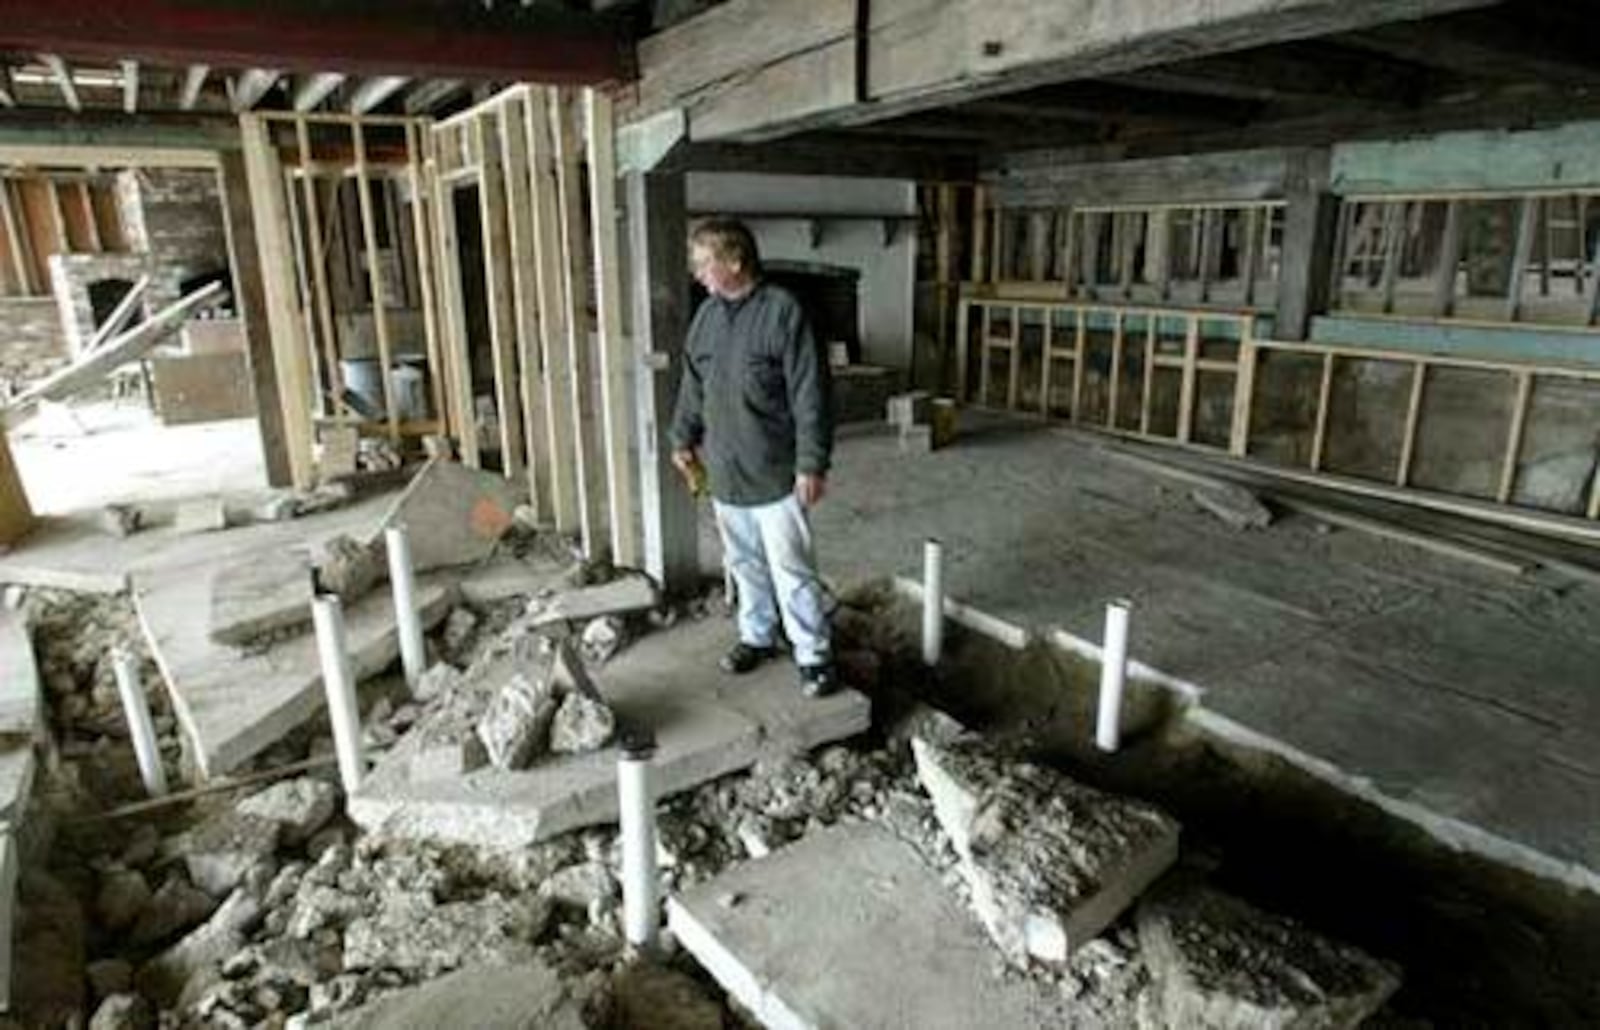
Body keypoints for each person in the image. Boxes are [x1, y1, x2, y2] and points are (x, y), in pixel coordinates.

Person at [669, 218, 837, 697]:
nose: (698, 273)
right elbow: (692, 385)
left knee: (792, 568)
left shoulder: (784, 312)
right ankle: (757, 635)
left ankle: (814, 654)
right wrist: (681, 437)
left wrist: (812, 463)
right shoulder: (706, 316)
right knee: (743, 562)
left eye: (705, 263)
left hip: (776, 469)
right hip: (724, 468)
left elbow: (812, 394)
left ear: (736, 261)